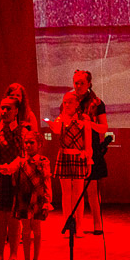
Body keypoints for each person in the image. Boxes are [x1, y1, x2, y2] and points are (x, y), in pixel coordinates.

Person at [2, 130, 53, 260]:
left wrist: (48, 200)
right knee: (25, 229)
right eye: (26, 142)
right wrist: (5, 169)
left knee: (36, 229)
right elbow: (10, 168)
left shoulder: (43, 161)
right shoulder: (20, 161)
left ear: (39, 144)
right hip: (23, 198)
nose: (28, 145)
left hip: (38, 198)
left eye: (32, 142)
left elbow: (47, 181)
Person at [0, 97, 25, 260]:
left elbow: (24, 155)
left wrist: (12, 166)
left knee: (13, 218)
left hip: (16, 178)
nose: (4, 111)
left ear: (16, 111)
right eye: (2, 108)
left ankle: (14, 254)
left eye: (8, 108)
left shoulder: (22, 132)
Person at [49, 91, 92, 236]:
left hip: (79, 156)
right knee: (66, 194)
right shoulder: (61, 118)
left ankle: (79, 225)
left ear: (77, 103)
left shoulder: (83, 118)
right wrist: (54, 125)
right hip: (64, 156)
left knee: (78, 193)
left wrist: (88, 159)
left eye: (70, 102)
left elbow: (88, 140)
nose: (67, 105)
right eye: (65, 102)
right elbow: (57, 131)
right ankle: (67, 224)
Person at [73, 70, 109, 234]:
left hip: (91, 148)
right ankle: (76, 224)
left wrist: (90, 123)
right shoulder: (69, 100)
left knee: (92, 189)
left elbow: (104, 128)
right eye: (76, 82)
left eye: (82, 83)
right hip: (73, 148)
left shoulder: (96, 103)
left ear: (89, 84)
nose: (78, 86)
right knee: (74, 190)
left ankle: (97, 223)